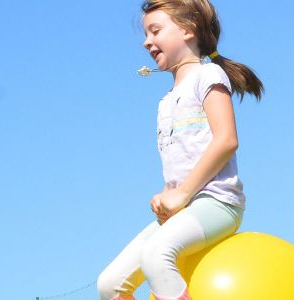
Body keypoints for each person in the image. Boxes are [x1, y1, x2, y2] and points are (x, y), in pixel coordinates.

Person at [96, 1, 263, 300]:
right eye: (146, 34)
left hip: (218, 203)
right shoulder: (165, 101)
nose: (147, 41)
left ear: (188, 30)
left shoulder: (208, 76)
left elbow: (226, 140)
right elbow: (180, 159)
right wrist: (167, 193)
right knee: (109, 285)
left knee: (155, 256)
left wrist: (183, 193)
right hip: (182, 209)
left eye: (155, 30)